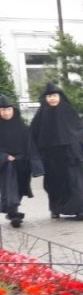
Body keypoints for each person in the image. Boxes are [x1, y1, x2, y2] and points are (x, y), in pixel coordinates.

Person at [28, 82, 83, 221]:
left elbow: (79, 130)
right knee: (55, 184)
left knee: (76, 181)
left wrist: (76, 145)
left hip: (71, 155)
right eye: (49, 96)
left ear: (60, 96)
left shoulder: (69, 111)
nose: (52, 98)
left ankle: (81, 209)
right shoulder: (41, 115)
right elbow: (33, 135)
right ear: (45, 98)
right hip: (51, 157)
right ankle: (56, 208)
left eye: (54, 95)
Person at [0, 96, 34, 227]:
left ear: (13, 110)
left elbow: (29, 145)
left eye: (8, 109)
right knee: (10, 188)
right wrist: (5, 157)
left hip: (22, 163)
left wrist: (24, 157)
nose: (6, 112)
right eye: (2, 110)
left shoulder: (22, 127)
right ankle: (14, 214)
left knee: (19, 188)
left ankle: (12, 211)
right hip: (6, 164)